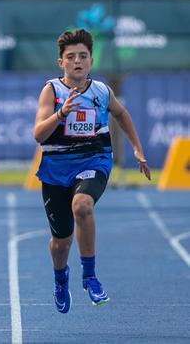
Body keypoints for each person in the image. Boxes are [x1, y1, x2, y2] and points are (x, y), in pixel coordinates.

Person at [33, 28, 151, 314]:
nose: (77, 61)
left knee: (83, 206)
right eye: (71, 56)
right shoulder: (52, 90)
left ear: (91, 61)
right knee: (60, 243)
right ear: (61, 62)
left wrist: (137, 148)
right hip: (56, 169)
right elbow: (38, 134)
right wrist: (60, 113)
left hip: (93, 160)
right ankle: (61, 280)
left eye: (83, 56)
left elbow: (121, 114)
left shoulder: (101, 91)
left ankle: (90, 277)